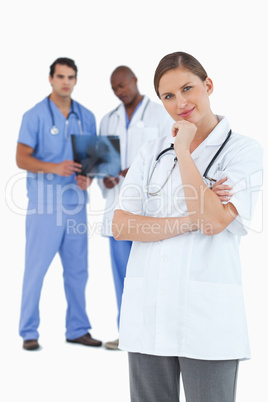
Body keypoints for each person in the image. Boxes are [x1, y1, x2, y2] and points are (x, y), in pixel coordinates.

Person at [112, 52, 263, 401]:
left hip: (207, 320)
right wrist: (192, 217)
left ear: (208, 85)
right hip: (148, 314)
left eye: (188, 88)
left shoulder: (243, 151)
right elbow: (121, 225)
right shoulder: (151, 151)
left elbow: (214, 223)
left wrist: (183, 150)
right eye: (168, 96)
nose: (180, 103)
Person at [16, 57, 102, 350]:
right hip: (44, 206)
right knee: (36, 269)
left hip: (76, 204)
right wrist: (55, 168)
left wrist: (87, 179)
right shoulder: (35, 115)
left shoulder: (86, 116)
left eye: (71, 77)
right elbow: (21, 158)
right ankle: (29, 331)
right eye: (61, 76)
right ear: (51, 79)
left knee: (78, 270)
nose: (66, 82)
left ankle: (77, 328)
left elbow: (90, 158)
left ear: (76, 81)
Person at [98, 66, 173, 350]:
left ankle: (157, 334)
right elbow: (100, 160)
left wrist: (138, 172)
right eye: (115, 87)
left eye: (123, 84)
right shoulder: (108, 120)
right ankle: (126, 333)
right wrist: (103, 178)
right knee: (123, 278)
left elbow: (172, 155)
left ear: (135, 81)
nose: (120, 91)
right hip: (116, 209)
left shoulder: (159, 114)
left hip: (150, 211)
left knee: (153, 275)